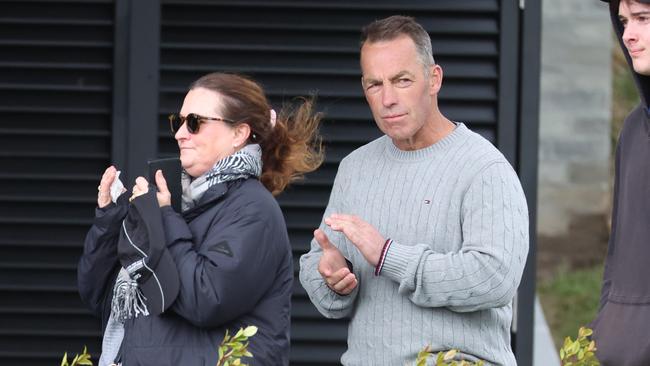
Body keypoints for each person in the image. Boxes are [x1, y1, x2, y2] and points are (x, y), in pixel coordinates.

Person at [298, 15, 529, 366]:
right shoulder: (356, 168)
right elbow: (327, 288)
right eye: (374, 85)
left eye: (402, 80)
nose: (387, 98)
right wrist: (333, 278)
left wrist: (389, 256)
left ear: (434, 79)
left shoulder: (484, 169)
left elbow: (495, 279)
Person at [78, 72, 324, 365]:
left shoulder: (254, 210)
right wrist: (110, 219)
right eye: (178, 122)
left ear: (239, 133)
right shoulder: (173, 199)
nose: (180, 133)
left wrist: (164, 220)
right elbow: (98, 297)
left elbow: (206, 299)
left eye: (194, 122)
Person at [591, 1, 650, 364]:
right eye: (623, 21)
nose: (627, 34)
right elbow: (617, 256)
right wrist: (601, 331)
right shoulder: (632, 130)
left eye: (643, 19)